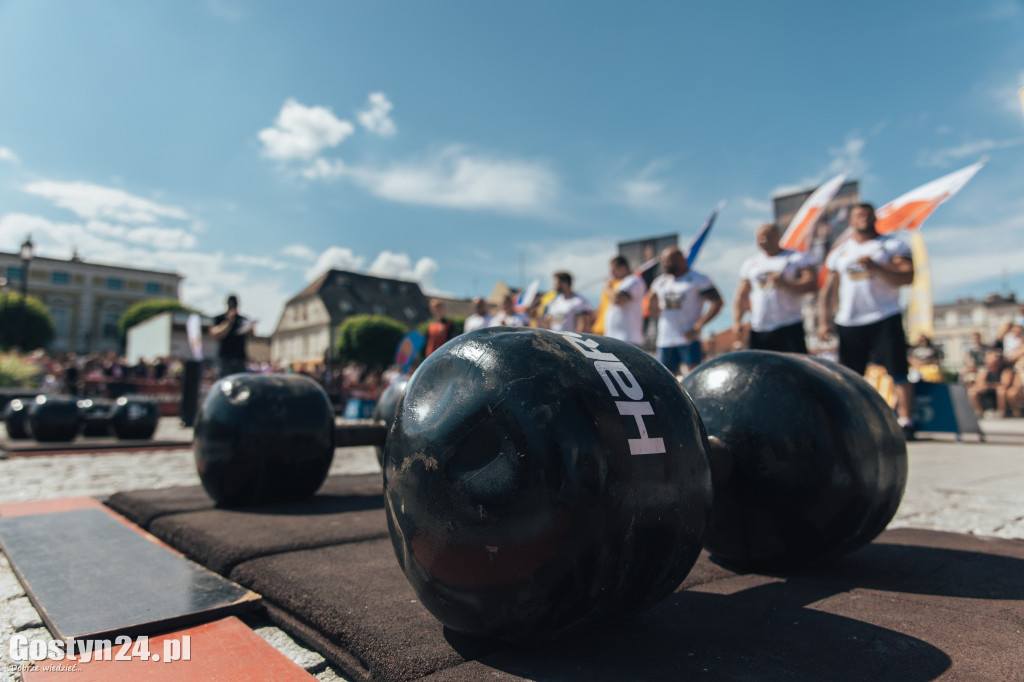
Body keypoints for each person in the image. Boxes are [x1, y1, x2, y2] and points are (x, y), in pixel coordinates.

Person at [817, 203, 916, 438]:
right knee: (850, 375)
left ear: (874, 217)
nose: (862, 218)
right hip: (850, 320)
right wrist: (824, 321)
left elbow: (908, 276)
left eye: (867, 214)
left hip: (884, 315)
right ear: (850, 220)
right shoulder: (840, 252)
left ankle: (906, 421)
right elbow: (828, 290)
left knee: (898, 369)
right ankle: (853, 420)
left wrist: (877, 266)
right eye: (858, 215)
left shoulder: (891, 245)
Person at [732, 223, 817, 353]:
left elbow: (811, 284)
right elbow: (741, 295)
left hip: (789, 324)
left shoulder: (796, 258)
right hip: (760, 326)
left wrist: (785, 283)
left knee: (792, 368)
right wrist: (737, 321)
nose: (764, 240)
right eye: (760, 237)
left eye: (768, 236)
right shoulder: (750, 264)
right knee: (761, 369)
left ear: (777, 236)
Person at [647, 246, 723, 375]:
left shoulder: (698, 279)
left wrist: (698, 325)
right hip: (665, 338)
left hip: (688, 337)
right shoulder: (660, 282)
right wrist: (652, 305)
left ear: (680, 259)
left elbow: (717, 302)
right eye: (664, 261)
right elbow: (651, 306)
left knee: (693, 374)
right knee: (667, 377)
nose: (666, 264)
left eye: (669, 260)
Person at [602, 255, 647, 346]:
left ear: (623, 268)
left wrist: (608, 287)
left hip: (627, 339)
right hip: (616, 338)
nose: (612, 274)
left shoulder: (633, 280)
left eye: (614, 270)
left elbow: (617, 299)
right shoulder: (623, 283)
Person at [210, 294, 253, 378]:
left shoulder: (243, 319)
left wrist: (251, 329)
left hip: (240, 357)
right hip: (225, 358)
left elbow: (252, 337)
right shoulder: (220, 318)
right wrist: (228, 322)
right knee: (224, 381)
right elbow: (215, 335)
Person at [967, 348, 1016, 418]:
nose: (987, 361)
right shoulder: (985, 371)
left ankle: (1001, 412)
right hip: (988, 391)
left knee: (1001, 390)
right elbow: (979, 383)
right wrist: (982, 386)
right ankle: (979, 412)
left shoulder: (1005, 370)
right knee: (972, 391)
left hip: (998, 391)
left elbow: (1005, 384)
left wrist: (990, 386)